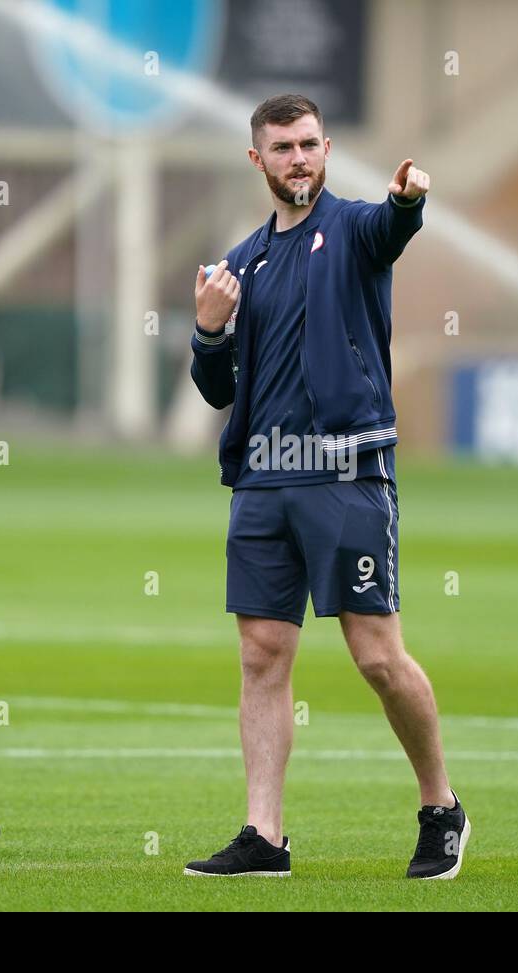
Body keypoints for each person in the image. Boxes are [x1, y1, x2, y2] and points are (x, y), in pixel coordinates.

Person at [185, 94, 468, 879]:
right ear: (258, 160)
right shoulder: (240, 263)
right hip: (263, 481)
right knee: (261, 653)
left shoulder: (352, 229)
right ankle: (264, 836)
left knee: (378, 657)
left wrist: (408, 202)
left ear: (328, 150)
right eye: (283, 147)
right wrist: (208, 328)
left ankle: (441, 806)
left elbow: (393, 227)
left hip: (346, 473)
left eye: (309, 144)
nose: (299, 158)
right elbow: (216, 388)